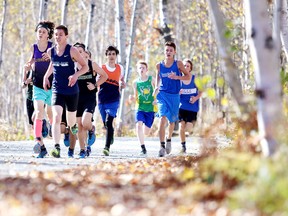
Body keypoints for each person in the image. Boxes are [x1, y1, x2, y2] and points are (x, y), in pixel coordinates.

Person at [43, 25, 88, 158]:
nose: (57, 37)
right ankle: (57, 147)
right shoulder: (51, 51)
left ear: (66, 36)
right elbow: (53, 64)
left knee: (71, 123)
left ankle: (73, 130)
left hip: (72, 90)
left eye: (60, 34)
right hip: (57, 89)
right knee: (56, 117)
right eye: (56, 34)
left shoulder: (72, 50)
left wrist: (75, 75)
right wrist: (46, 76)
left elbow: (85, 67)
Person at [24, 20, 55, 158]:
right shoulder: (34, 47)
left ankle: (55, 141)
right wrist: (27, 68)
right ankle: (40, 145)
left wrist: (52, 57)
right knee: (38, 112)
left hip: (51, 85)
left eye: (43, 32)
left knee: (50, 114)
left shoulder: (52, 47)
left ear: (48, 35)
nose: (41, 33)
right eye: (39, 31)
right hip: (37, 85)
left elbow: (58, 62)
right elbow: (31, 62)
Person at [154, 41, 191, 157]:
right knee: (162, 118)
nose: (168, 52)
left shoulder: (178, 64)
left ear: (174, 52)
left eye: (171, 50)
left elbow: (188, 76)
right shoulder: (159, 65)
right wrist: (156, 88)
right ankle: (161, 146)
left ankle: (168, 138)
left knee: (171, 122)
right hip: (163, 95)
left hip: (174, 96)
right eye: (166, 50)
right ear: (164, 52)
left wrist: (177, 77)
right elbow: (157, 79)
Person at [73, 42, 108, 158]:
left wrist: (95, 85)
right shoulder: (72, 66)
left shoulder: (91, 64)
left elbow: (105, 76)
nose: (79, 54)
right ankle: (83, 150)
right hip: (76, 98)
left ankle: (92, 128)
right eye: (76, 52)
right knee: (79, 125)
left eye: (81, 52)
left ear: (84, 53)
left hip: (89, 98)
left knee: (85, 122)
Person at [98, 45, 126, 156]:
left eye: (113, 54)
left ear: (116, 55)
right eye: (109, 54)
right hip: (102, 98)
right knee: (106, 123)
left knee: (109, 121)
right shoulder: (102, 68)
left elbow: (122, 81)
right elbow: (97, 82)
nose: (111, 56)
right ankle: (111, 133)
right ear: (106, 55)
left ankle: (106, 147)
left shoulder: (120, 68)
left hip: (114, 99)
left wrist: (123, 84)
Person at [129, 61, 157, 156]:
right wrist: (132, 98)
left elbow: (158, 89)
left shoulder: (151, 79)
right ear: (137, 70)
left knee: (146, 131)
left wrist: (156, 99)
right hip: (140, 107)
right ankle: (143, 148)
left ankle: (146, 132)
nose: (141, 69)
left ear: (146, 70)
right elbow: (135, 95)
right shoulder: (135, 82)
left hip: (150, 108)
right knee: (138, 125)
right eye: (140, 68)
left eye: (143, 68)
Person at [179, 59, 202, 153]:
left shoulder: (195, 79)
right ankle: (183, 146)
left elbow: (201, 91)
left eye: (187, 66)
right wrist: (178, 93)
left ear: (190, 68)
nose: (185, 67)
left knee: (188, 128)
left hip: (192, 108)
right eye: (184, 65)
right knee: (181, 126)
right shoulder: (179, 80)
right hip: (181, 107)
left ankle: (190, 131)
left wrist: (196, 98)